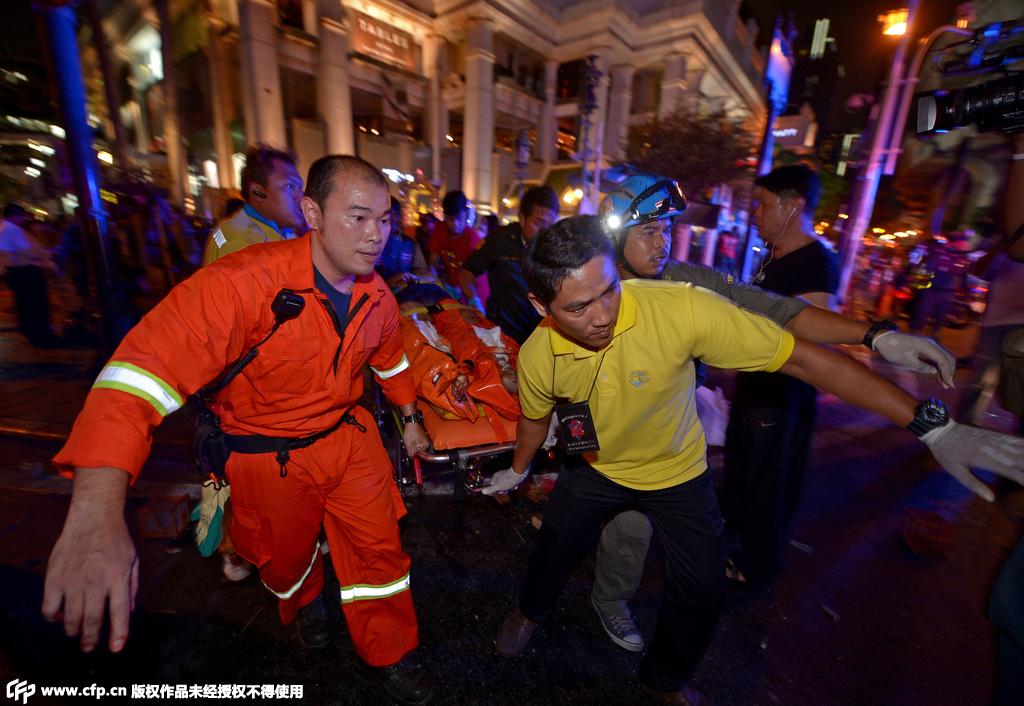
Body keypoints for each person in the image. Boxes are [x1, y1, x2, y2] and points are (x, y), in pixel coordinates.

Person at [483, 215, 1024, 704]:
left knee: (701, 592)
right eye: (579, 307)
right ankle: (529, 612)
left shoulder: (680, 309)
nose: (603, 315)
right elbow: (534, 419)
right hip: (596, 470)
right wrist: (519, 468)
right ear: (541, 307)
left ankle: (664, 679)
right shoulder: (538, 353)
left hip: (678, 474)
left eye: (609, 291)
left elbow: (803, 361)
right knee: (552, 551)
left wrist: (932, 425)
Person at [42, 156, 434, 706]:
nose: (377, 235)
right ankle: (306, 605)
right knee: (286, 560)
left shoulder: (379, 297)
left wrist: (410, 419)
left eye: (386, 219)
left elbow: (390, 362)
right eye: (359, 217)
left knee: (382, 559)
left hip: (351, 443)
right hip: (269, 462)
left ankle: (389, 652)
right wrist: (95, 510)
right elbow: (136, 375)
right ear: (312, 213)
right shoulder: (242, 284)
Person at [579, 172, 957, 653]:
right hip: (616, 447)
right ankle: (601, 601)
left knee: (698, 566)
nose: (663, 242)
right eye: (650, 231)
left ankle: (668, 669)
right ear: (616, 236)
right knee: (621, 535)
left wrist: (875, 335)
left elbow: (773, 308)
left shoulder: (686, 280)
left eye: (668, 228)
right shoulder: (594, 288)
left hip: (677, 450)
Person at [723, 164, 840, 584]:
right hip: (756, 384)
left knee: (768, 479)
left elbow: (811, 334)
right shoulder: (774, 256)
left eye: (763, 204)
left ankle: (759, 565)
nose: (756, 213)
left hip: (782, 392)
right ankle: (737, 538)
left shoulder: (815, 263)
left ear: (794, 206)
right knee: (743, 468)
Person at [456, 185, 559, 344]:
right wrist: (473, 300)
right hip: (503, 332)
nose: (545, 232)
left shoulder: (555, 247)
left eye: (550, 225)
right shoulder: (500, 240)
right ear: (522, 218)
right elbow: (466, 273)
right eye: (538, 223)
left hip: (541, 333)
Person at [203, 144, 306, 265]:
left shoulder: (282, 234)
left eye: (300, 187)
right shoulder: (239, 242)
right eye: (289, 186)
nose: (301, 197)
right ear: (258, 192)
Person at [0, 203, 63, 348]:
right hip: (25, 272)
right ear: (15, 215)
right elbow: (28, 251)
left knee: (25, 305)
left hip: (13, 272)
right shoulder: (12, 229)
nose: (24, 218)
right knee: (36, 305)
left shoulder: (3, 227)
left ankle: (32, 333)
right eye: (22, 215)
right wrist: (48, 255)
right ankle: (42, 336)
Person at [426, 190, 485, 297]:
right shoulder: (440, 229)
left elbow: (472, 275)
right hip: (453, 289)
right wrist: (435, 281)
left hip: (475, 292)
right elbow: (433, 263)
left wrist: (460, 291)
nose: (455, 224)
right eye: (450, 219)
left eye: (459, 218)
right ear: (445, 215)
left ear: (466, 214)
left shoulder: (473, 238)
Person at [378, 197, 432, 286]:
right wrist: (389, 282)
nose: (392, 219)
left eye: (395, 214)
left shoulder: (410, 244)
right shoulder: (374, 242)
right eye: (387, 216)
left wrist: (411, 276)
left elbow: (421, 271)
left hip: (404, 289)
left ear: (399, 216)